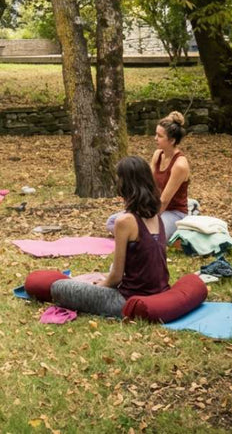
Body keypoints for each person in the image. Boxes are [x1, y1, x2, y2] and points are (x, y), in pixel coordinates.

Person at [38, 155, 169, 317]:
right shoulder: (157, 216)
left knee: (60, 287)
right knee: (93, 278)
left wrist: (98, 286)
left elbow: (115, 277)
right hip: (160, 292)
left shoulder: (125, 222)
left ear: (125, 184)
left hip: (127, 300)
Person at [105, 110, 191, 239]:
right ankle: (136, 234)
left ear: (172, 140)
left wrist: (148, 219)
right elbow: (147, 185)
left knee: (150, 234)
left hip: (173, 212)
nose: (155, 138)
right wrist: (137, 211)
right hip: (152, 207)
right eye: (156, 134)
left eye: (160, 136)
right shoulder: (158, 155)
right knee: (112, 222)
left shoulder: (180, 165)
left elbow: (164, 201)